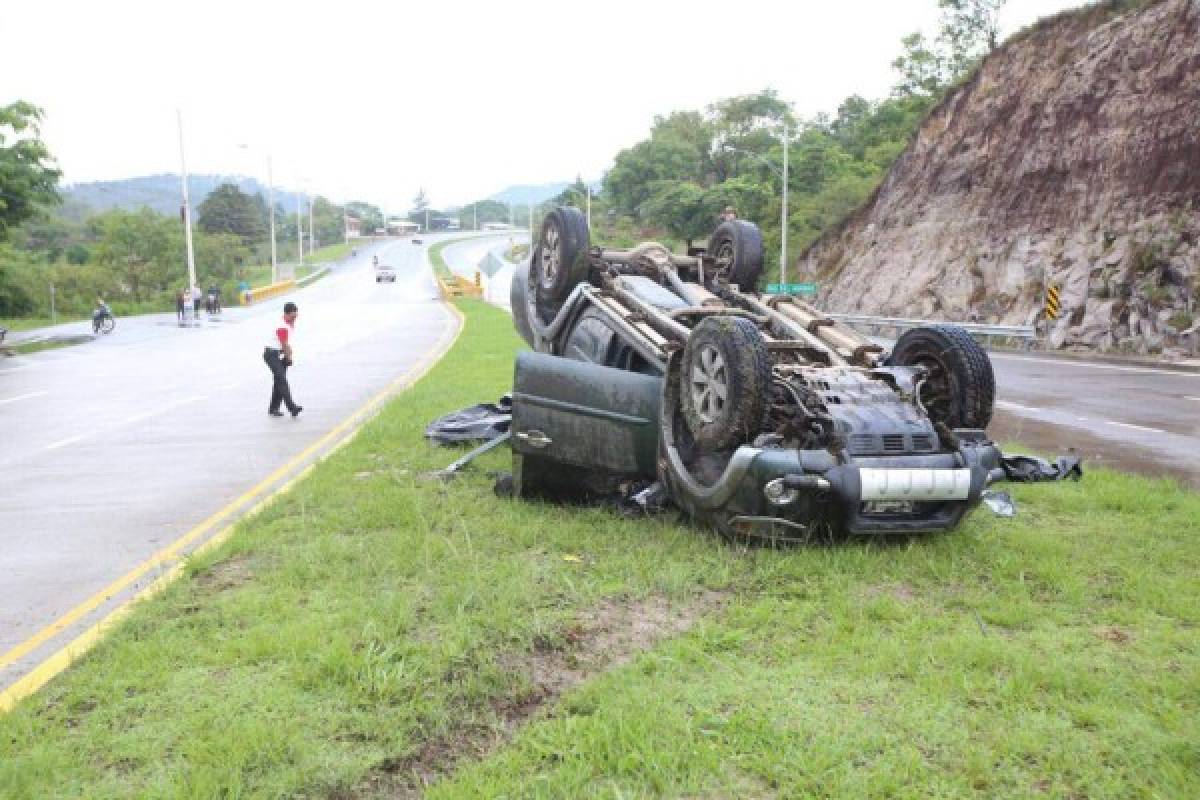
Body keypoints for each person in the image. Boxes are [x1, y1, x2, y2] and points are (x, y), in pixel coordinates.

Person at [264, 301, 303, 418]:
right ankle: (292, 408)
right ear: (286, 314)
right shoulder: (282, 326)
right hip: (271, 355)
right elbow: (284, 343)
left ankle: (273, 408)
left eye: (295, 317)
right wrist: (289, 357)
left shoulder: (288, 323)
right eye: (292, 316)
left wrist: (288, 351)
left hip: (279, 354)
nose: (294, 319)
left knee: (278, 382)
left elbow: (285, 344)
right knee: (282, 381)